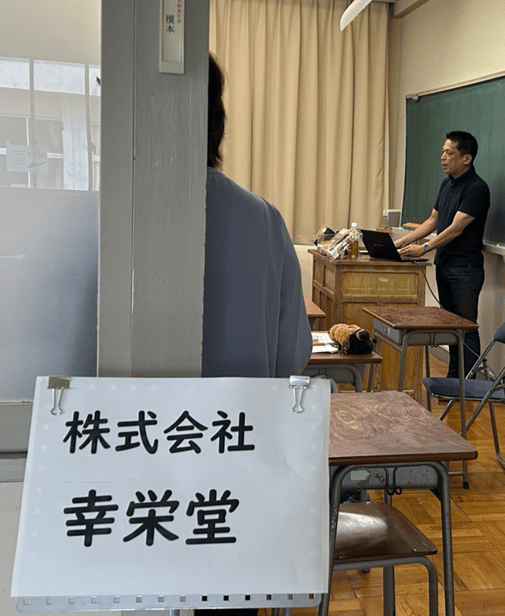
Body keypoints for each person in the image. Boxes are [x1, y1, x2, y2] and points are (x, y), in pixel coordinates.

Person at [202, 53, 312, 378]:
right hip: (243, 410)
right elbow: (293, 355)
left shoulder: (107, 221)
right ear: (218, 120)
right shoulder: (265, 220)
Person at [395, 131, 490, 377]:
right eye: (442, 152)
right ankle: (453, 379)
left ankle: (467, 382)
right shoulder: (447, 183)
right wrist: (398, 243)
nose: (442, 157)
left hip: (465, 269)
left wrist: (424, 248)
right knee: (450, 326)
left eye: (449, 153)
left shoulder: (477, 188)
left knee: (466, 327)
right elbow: (432, 221)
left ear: (466, 158)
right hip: (445, 264)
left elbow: (456, 229)